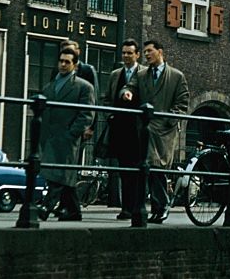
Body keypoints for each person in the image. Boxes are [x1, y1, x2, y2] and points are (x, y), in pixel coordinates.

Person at [121, 39, 189, 224]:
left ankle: (160, 205)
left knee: (155, 166)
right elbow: (130, 86)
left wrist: (169, 120)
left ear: (160, 52)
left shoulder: (176, 76)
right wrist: (127, 93)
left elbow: (182, 103)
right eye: (145, 52)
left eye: (150, 51)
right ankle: (160, 206)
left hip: (165, 130)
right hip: (146, 129)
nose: (147, 54)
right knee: (150, 165)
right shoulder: (142, 75)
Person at [37, 45, 95, 222]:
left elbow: (87, 114)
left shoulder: (83, 87)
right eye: (61, 61)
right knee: (62, 174)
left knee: (61, 173)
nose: (63, 65)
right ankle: (74, 211)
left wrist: (73, 133)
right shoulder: (49, 86)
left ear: (75, 65)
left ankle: (46, 206)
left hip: (68, 137)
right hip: (51, 136)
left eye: (67, 62)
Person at [101, 39, 142, 220]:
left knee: (137, 168)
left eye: (129, 53)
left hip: (138, 129)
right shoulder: (115, 74)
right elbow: (108, 98)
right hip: (120, 128)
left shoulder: (144, 74)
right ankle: (126, 207)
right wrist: (110, 115)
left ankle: (135, 206)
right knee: (124, 168)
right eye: (124, 53)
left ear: (137, 55)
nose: (126, 56)